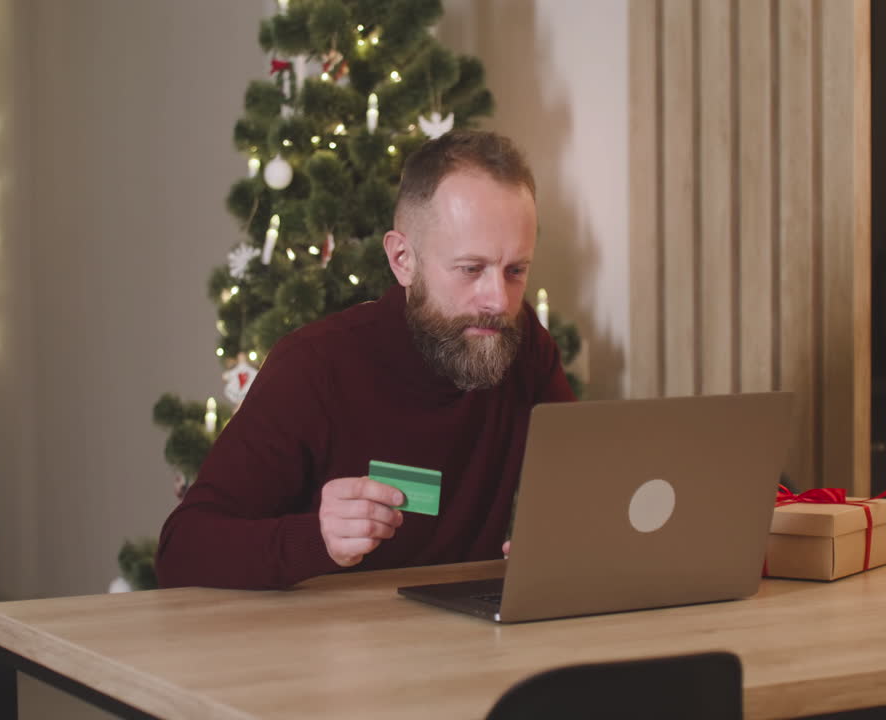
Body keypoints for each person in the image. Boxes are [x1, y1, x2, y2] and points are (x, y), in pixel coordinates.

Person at [155, 130, 575, 590]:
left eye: (516, 270)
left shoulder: (521, 343)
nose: (498, 300)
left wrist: (572, 536)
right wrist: (317, 538)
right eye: (471, 270)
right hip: (333, 651)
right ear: (402, 259)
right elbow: (182, 549)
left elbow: (587, 478)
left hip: (470, 645)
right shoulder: (314, 367)